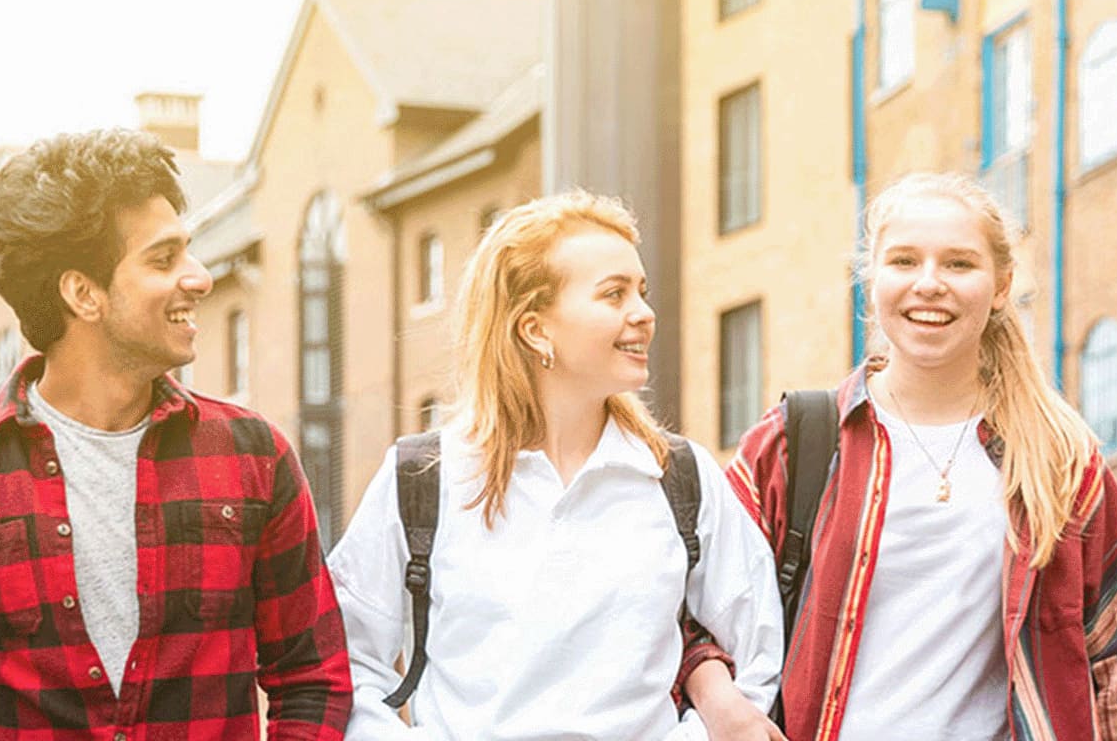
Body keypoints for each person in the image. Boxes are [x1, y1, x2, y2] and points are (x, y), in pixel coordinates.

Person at [0, 128, 352, 741]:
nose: (201, 278)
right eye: (164, 259)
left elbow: (313, 677)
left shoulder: (253, 455)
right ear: (83, 294)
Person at [682, 172, 1117, 741]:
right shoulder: (795, 442)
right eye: (904, 261)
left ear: (1001, 285)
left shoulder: (1062, 462)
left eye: (958, 264)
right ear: (871, 278)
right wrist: (721, 704)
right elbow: (685, 607)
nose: (929, 284)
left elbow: (1111, 665)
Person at [325, 190, 782, 740]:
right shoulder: (423, 478)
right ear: (535, 329)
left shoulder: (680, 477)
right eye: (613, 294)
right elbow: (346, 661)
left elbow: (757, 645)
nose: (644, 312)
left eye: (641, 291)